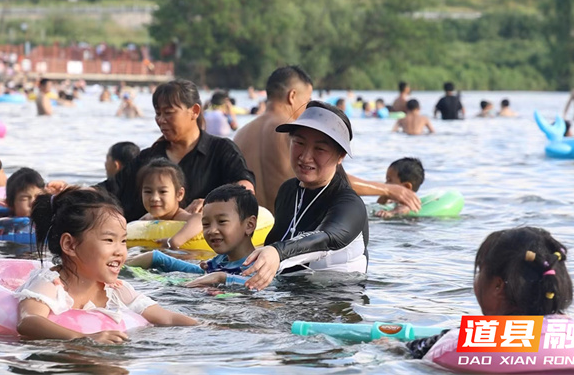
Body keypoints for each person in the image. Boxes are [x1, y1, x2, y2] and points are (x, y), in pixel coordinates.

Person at [15, 186, 196, 342]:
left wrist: (208, 327)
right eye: (109, 240)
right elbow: (29, 321)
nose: (120, 251)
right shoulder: (50, 284)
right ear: (70, 245)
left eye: (123, 241)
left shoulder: (115, 289)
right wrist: (83, 339)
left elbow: (167, 318)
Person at [234, 66, 420, 214]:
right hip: (291, 230)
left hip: (255, 232)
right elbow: (335, 178)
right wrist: (390, 190)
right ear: (292, 96)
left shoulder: (240, 134)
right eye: (307, 100)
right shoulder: (295, 133)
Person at [240, 101, 369, 291]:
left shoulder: (350, 204)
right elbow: (272, 247)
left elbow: (326, 238)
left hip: (336, 302)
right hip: (291, 294)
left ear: (340, 155)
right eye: (299, 143)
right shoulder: (288, 191)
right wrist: (227, 273)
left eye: (320, 149)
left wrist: (278, 252)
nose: (306, 157)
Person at [100, 79, 255, 222]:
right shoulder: (149, 157)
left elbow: (245, 187)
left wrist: (212, 203)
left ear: (194, 111)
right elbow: (111, 188)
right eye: (158, 113)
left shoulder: (221, 150)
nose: (161, 120)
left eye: (168, 113)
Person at [406, 226, 572, 359]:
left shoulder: (467, 337)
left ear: (498, 286)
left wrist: (389, 345)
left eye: (480, 270)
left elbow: (409, 352)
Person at [127, 184, 258, 287]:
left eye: (222, 222)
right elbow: (206, 274)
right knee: (155, 257)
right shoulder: (219, 261)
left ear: (249, 225)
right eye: (206, 224)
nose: (212, 230)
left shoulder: (262, 265)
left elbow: (268, 285)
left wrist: (221, 278)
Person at [136, 159, 202, 249]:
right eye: (148, 191)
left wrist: (174, 241)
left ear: (179, 194)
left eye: (162, 191)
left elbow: (200, 219)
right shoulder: (146, 220)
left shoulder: (180, 217)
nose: (154, 198)